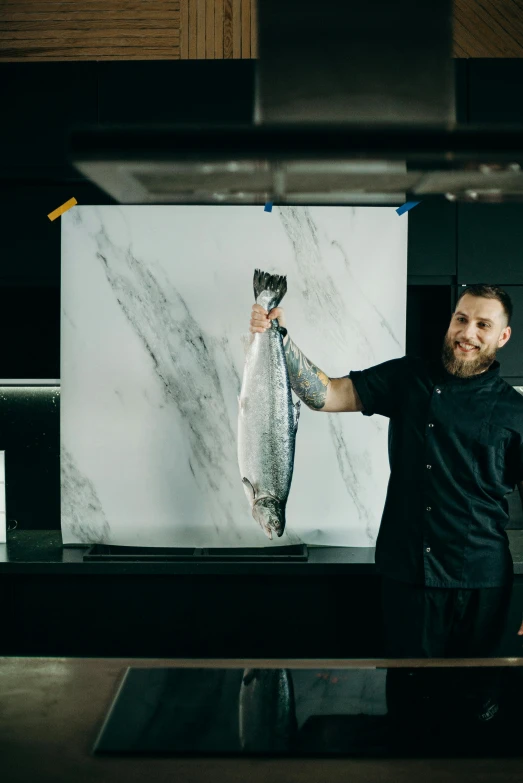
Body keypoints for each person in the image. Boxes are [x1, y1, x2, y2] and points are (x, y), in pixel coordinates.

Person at [249, 283, 523, 727]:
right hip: (407, 576)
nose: (467, 332)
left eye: (482, 324)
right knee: (409, 705)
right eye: (461, 318)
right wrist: (278, 340)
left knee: (476, 708)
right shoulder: (408, 378)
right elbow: (328, 395)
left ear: (502, 337)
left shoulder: (516, 412)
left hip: (480, 585)